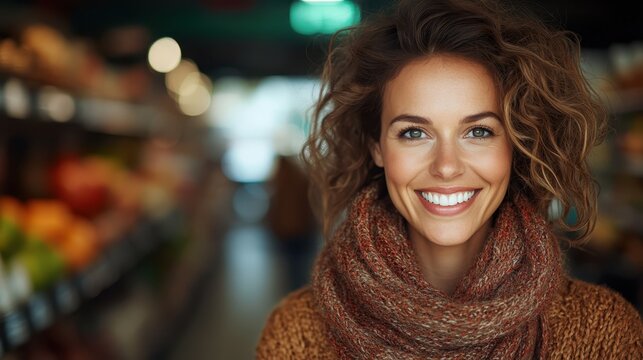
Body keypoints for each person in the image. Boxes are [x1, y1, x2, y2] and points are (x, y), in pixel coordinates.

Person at [257, 0, 643, 358]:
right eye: (413, 132)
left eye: (478, 132)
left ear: (516, 145)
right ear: (377, 146)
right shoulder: (299, 332)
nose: (446, 166)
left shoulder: (600, 331)